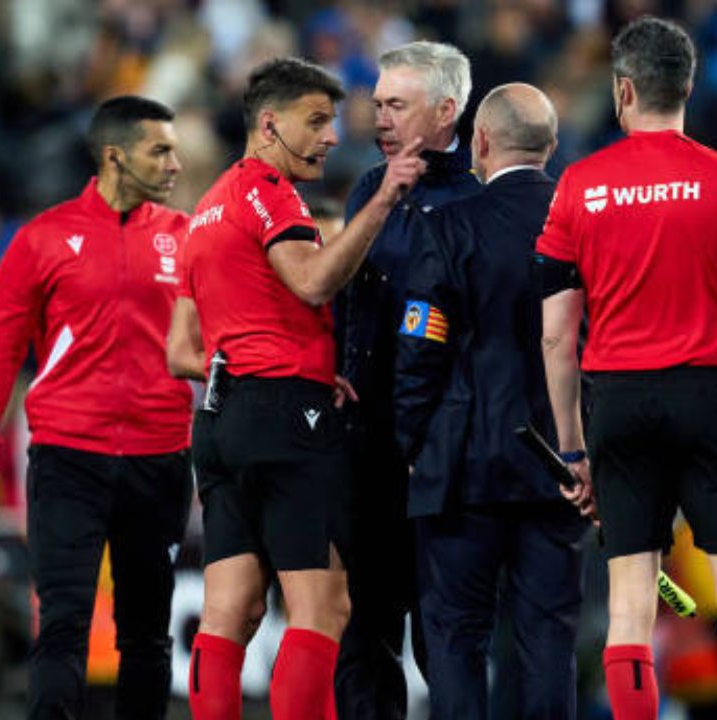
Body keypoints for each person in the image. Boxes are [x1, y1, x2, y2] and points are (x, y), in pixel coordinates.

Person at [534, 17, 717, 720]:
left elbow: (558, 337)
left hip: (619, 403)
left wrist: (572, 449)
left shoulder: (579, 187)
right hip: (713, 397)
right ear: (685, 87)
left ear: (623, 91)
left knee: (630, 609)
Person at [165, 57, 424, 720]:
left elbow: (181, 353)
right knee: (323, 606)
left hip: (223, 422)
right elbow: (312, 282)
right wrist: (385, 197)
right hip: (287, 419)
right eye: (316, 121)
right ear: (270, 124)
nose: (331, 136)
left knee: (233, 611)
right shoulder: (271, 193)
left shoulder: (204, 212)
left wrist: (267, 361)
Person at [0, 96, 193, 720]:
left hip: (159, 458)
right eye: (160, 149)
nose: (176, 161)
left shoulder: (185, 237)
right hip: (68, 457)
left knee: (147, 633)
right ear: (116, 157)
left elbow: (228, 334)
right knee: (62, 624)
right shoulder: (43, 239)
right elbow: (0, 348)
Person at [393, 83, 585, 719]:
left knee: (456, 637)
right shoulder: (587, 226)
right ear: (551, 148)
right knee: (548, 637)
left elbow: (422, 347)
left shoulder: (449, 227)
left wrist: (410, 443)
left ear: (479, 142)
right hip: (562, 467)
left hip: (462, 468)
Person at [333, 41, 482, 720]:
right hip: (364, 440)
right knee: (364, 628)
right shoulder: (370, 186)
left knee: (442, 628)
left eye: (397, 104)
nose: (380, 117)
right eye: (377, 104)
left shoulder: (477, 202)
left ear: (446, 110)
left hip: (439, 448)